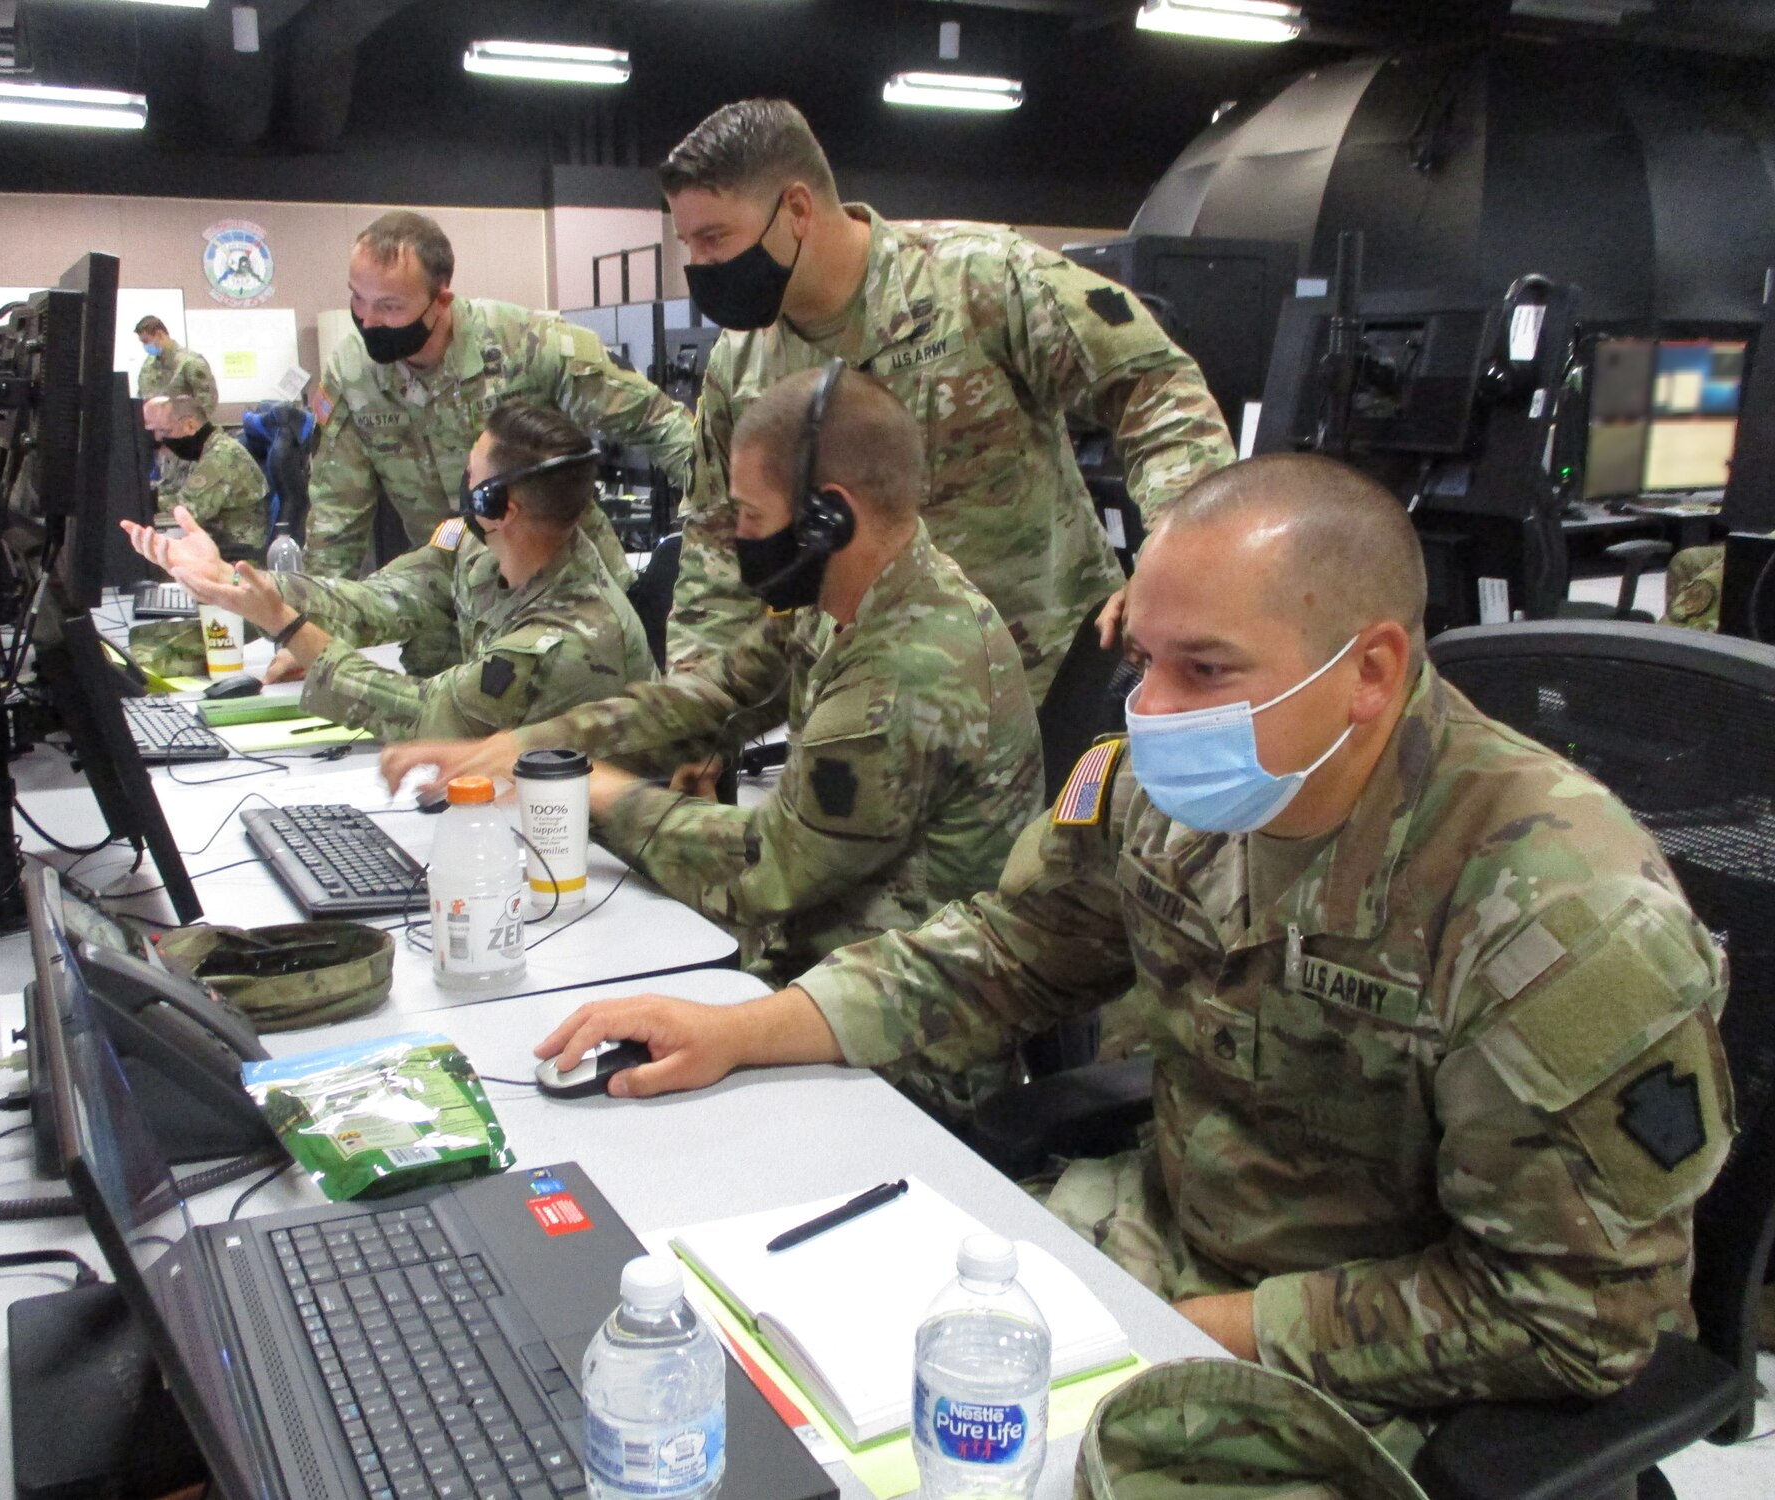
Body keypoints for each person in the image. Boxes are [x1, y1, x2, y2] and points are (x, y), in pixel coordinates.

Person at [526, 453, 1735, 1456]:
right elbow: (1010, 950)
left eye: (1202, 668)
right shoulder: (1162, 780)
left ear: (1366, 671)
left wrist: (1179, 1324)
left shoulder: (1558, 916)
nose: (1149, 708)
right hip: (1155, 1235)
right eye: (1139, 658)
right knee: (764, 1381)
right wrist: (743, 1026)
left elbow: (1572, 1316)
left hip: (1368, 1353)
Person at [380, 368, 1043, 1029]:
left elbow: (767, 865)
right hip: (817, 974)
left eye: (751, 515)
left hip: (901, 1034)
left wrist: (596, 791)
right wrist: (528, 747)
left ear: (828, 517)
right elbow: (713, 694)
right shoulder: (844, 597)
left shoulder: (909, 671)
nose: (735, 537)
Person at [658, 98, 1235, 699]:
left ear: (797, 209)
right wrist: (697, 706)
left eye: (714, 238)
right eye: (688, 243)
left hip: (1035, 681)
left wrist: (1174, 568)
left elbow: (1156, 387)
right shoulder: (743, 360)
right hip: (865, 697)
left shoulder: (977, 278)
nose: (699, 265)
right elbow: (717, 535)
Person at [123, 401, 655, 742]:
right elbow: (379, 600)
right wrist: (237, 579)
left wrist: (287, 625)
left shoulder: (567, 637)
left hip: (585, 854)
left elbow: (428, 717)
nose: (463, 482)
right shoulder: (476, 546)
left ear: (498, 504)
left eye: (473, 473)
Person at [303, 210, 695, 643]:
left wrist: (713, 539)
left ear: (441, 300)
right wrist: (311, 629)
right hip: (451, 606)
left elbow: (663, 427)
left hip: (568, 604)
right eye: (358, 298)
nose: (368, 320)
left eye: (389, 306)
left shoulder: (527, 344)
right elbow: (336, 518)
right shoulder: (353, 373)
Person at [139, 396, 268, 550]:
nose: (158, 437)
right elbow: (173, 487)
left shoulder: (221, 457)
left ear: (190, 425)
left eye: (165, 430)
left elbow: (188, 509)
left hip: (235, 553)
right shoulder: (201, 452)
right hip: (214, 542)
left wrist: (146, 502)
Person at [135, 317, 219, 502]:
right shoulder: (149, 365)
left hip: (187, 440)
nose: (145, 346)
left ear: (159, 334)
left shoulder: (190, 362)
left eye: (146, 341)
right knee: (166, 489)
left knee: (188, 493)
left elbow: (207, 401)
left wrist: (189, 434)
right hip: (161, 441)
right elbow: (144, 398)